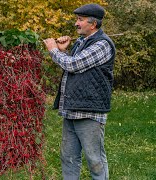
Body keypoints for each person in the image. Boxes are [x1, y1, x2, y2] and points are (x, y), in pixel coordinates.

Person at [43, 3, 116, 180]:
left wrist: (53, 50)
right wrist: (64, 51)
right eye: (77, 19)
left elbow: (73, 65)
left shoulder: (102, 44)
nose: (76, 23)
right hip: (73, 110)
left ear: (93, 24)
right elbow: (75, 64)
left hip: (90, 112)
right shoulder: (82, 42)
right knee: (68, 158)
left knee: (95, 160)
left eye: (80, 20)